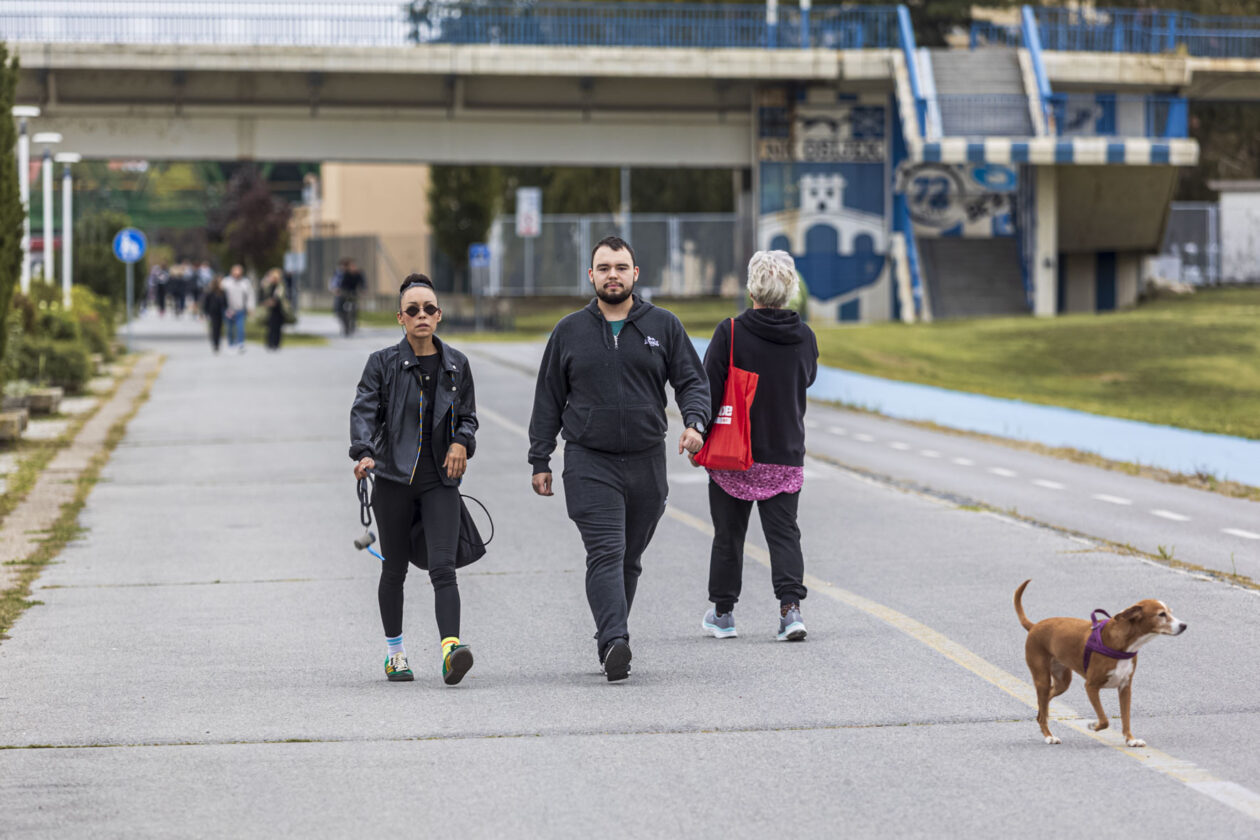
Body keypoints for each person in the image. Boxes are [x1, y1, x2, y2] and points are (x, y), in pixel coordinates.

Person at [528, 235, 711, 682]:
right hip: (589, 461)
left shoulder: (663, 325)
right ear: (591, 275)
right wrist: (540, 459)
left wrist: (695, 423)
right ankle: (615, 641)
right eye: (605, 268)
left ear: (635, 274)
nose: (613, 275)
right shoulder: (569, 331)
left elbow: (692, 381)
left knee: (629, 558)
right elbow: (548, 397)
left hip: (647, 461)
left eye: (621, 267)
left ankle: (610, 635)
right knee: (606, 551)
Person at [349, 274, 479, 685]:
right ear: (400, 318)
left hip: (440, 481)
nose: (421, 315)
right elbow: (364, 410)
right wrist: (363, 452)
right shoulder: (382, 363)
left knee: (444, 567)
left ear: (439, 315)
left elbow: (469, 417)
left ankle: (451, 651)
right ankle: (395, 654)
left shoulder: (457, 364)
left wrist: (461, 441)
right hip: (392, 479)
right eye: (412, 310)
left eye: (429, 309)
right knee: (395, 570)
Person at [699, 250, 818, 642]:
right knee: (784, 535)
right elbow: (808, 377)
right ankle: (790, 611)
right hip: (784, 453)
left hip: (734, 454)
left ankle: (723, 614)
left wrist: (697, 433)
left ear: (752, 289)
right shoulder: (804, 336)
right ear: (790, 290)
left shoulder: (731, 332)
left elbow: (709, 389)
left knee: (728, 536)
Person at [221, 265, 255, 353]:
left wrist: (250, 307)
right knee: (230, 327)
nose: (237, 275)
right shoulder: (226, 282)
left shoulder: (245, 282)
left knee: (240, 327)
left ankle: (240, 343)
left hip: (240, 309)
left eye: (238, 273)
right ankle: (231, 343)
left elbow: (250, 296)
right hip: (229, 309)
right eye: (235, 273)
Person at [331, 258, 365, 337]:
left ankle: (352, 324)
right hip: (343, 293)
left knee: (354, 308)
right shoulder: (343, 273)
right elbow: (337, 283)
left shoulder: (358, 274)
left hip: (353, 293)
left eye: (354, 266)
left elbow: (362, 283)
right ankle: (345, 326)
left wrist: (363, 289)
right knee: (340, 310)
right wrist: (336, 289)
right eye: (351, 266)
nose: (353, 267)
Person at [260, 268, 288, 351]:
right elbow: (263, 293)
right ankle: (270, 343)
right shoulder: (269, 286)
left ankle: (276, 343)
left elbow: (281, 297)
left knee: (278, 328)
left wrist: (274, 301)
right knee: (270, 327)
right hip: (270, 310)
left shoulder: (281, 286)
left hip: (279, 310)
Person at [202, 274, 227, 354]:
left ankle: (218, 342)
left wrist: (226, 309)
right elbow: (206, 303)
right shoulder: (210, 292)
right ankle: (215, 343)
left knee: (219, 328)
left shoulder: (223, 292)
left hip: (221, 312)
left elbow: (225, 302)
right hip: (212, 312)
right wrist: (205, 312)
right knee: (214, 327)